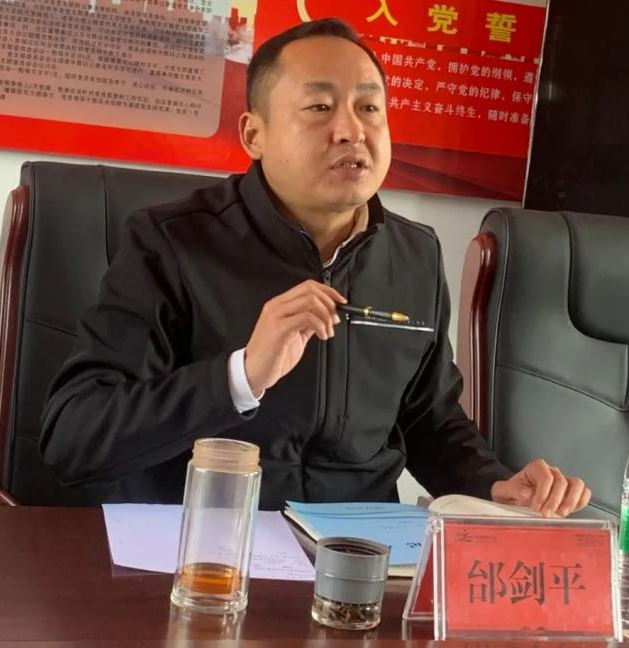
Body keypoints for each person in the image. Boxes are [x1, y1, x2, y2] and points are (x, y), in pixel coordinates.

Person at [40, 18, 591, 515]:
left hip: (360, 556)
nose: (352, 130)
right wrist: (241, 377)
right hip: (205, 548)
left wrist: (494, 485)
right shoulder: (171, 242)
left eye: (370, 108)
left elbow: (429, 421)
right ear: (254, 135)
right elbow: (74, 436)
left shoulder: (415, 254)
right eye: (320, 108)